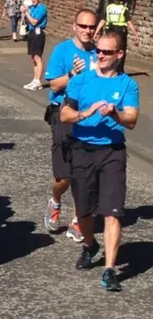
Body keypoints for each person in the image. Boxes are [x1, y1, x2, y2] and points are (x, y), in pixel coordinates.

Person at [60, 31, 139, 292]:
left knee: (112, 211)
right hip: (82, 150)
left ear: (119, 55)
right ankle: (90, 244)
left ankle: (109, 270)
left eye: (107, 52)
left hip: (112, 152)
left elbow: (132, 120)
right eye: (98, 51)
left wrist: (115, 114)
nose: (101, 56)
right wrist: (85, 113)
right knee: (83, 211)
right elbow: (64, 114)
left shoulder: (128, 85)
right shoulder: (81, 81)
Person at [43, 9, 98, 242]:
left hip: (89, 116)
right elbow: (54, 86)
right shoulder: (62, 51)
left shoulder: (101, 53)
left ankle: (77, 220)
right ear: (74, 27)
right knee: (63, 176)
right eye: (83, 26)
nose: (87, 30)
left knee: (82, 172)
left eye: (91, 27)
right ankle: (55, 200)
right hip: (62, 113)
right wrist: (73, 74)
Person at [94, 0, 140, 73]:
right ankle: (120, 70)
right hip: (120, 32)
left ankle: (108, 68)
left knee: (108, 50)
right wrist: (136, 35)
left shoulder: (109, 8)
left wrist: (96, 32)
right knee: (121, 51)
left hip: (110, 31)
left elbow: (103, 21)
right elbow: (129, 22)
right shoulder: (123, 9)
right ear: (122, 1)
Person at [21, 0, 48, 91]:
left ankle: (38, 81)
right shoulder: (32, 8)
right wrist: (24, 10)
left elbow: (34, 22)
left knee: (37, 57)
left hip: (38, 33)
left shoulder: (42, 8)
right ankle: (35, 79)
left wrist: (26, 12)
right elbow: (27, 19)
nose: (33, 0)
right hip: (32, 33)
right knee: (33, 57)